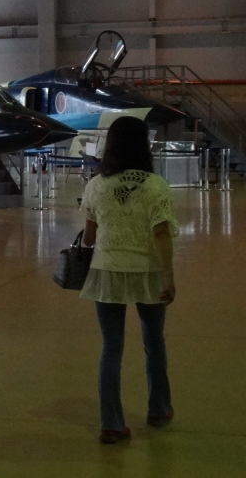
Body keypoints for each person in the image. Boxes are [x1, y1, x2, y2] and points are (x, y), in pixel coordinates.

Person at [80, 116, 178, 444]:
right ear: (143, 145)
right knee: (154, 341)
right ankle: (159, 408)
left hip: (107, 270)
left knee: (111, 347)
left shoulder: (96, 185)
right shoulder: (156, 186)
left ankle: (111, 423)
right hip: (148, 270)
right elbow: (161, 233)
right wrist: (169, 275)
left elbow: (89, 238)